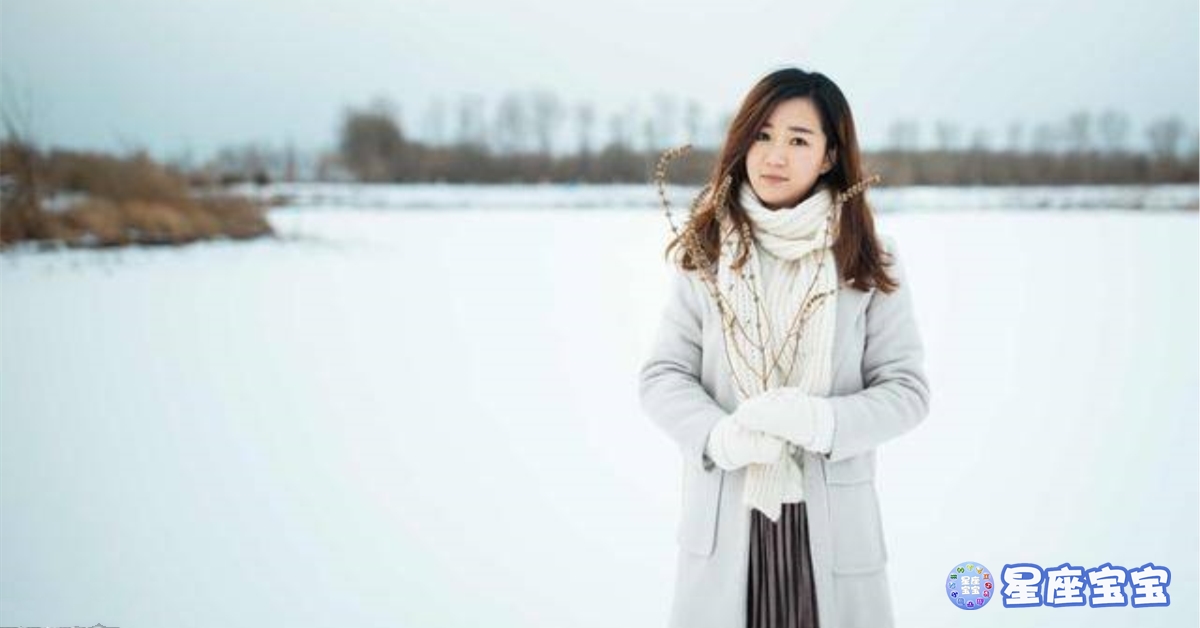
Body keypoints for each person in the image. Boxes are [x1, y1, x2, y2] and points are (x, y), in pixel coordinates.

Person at [638, 67, 931, 628]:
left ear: (828, 157)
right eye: (763, 135)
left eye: (798, 140)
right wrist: (717, 436)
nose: (775, 156)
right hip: (729, 519)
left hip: (831, 527)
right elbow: (664, 375)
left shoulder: (868, 259)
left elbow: (906, 391)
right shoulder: (707, 253)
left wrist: (821, 422)